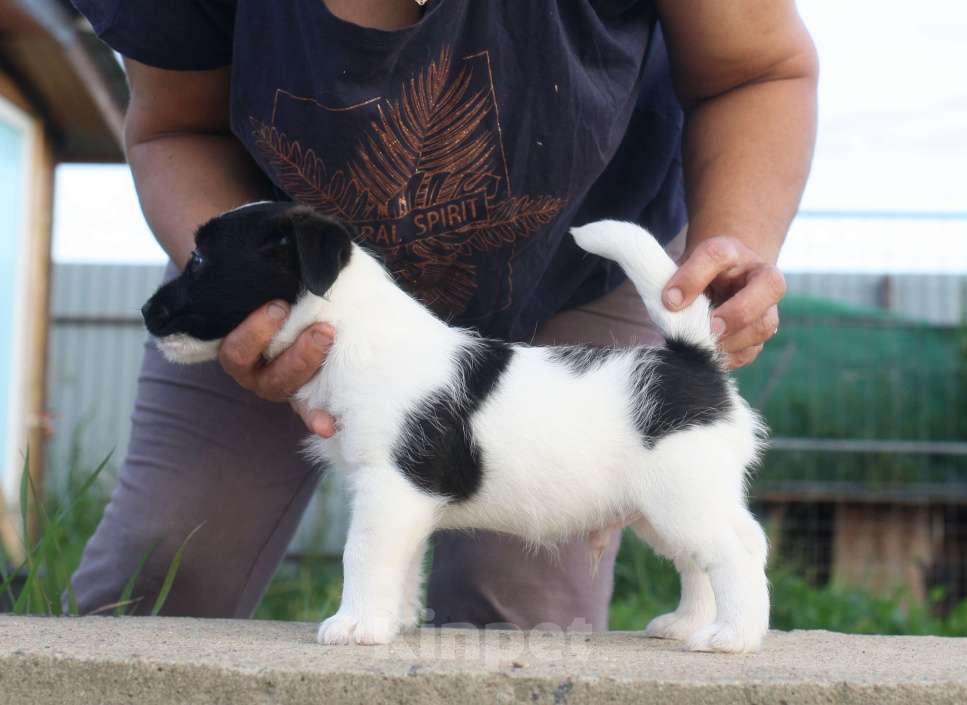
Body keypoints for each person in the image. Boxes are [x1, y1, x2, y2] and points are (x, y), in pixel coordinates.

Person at [69, 0, 816, 629]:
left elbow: (758, 67)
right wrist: (246, 304)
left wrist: (735, 244)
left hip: (572, 276)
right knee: (162, 560)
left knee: (521, 621)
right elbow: (174, 125)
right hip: (288, 281)